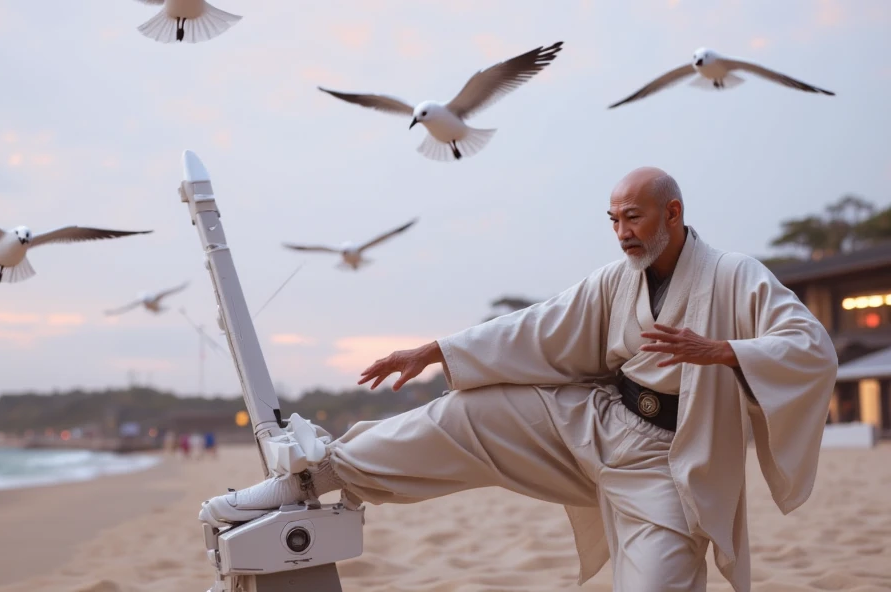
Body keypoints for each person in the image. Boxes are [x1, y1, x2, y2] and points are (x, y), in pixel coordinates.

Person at [199, 167, 838, 591]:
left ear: (673, 213)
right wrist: (435, 351)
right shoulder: (617, 280)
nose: (622, 234)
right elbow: (539, 327)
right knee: (463, 414)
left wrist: (722, 350)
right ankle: (311, 476)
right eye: (613, 220)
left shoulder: (734, 276)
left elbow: (810, 346)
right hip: (593, 421)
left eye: (634, 219)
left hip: (665, 462)